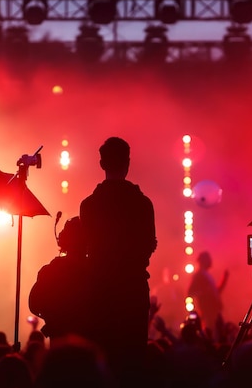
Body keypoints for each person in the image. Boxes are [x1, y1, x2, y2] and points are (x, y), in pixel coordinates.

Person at [79, 136, 157, 387]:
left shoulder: (89, 205)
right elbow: (149, 245)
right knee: (133, 361)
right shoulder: (143, 204)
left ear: (102, 163)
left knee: (102, 359)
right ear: (128, 164)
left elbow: (86, 246)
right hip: (133, 290)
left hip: (98, 291)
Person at [28, 216, 93, 345]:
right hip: (89, 340)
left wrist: (52, 318)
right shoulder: (97, 270)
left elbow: (34, 304)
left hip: (59, 340)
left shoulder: (50, 270)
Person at [187, 251, 229, 343]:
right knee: (212, 336)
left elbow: (216, 293)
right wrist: (204, 292)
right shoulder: (198, 276)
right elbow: (190, 293)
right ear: (203, 261)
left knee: (218, 334)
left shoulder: (207, 275)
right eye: (208, 259)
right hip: (208, 311)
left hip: (214, 311)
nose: (211, 261)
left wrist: (224, 279)